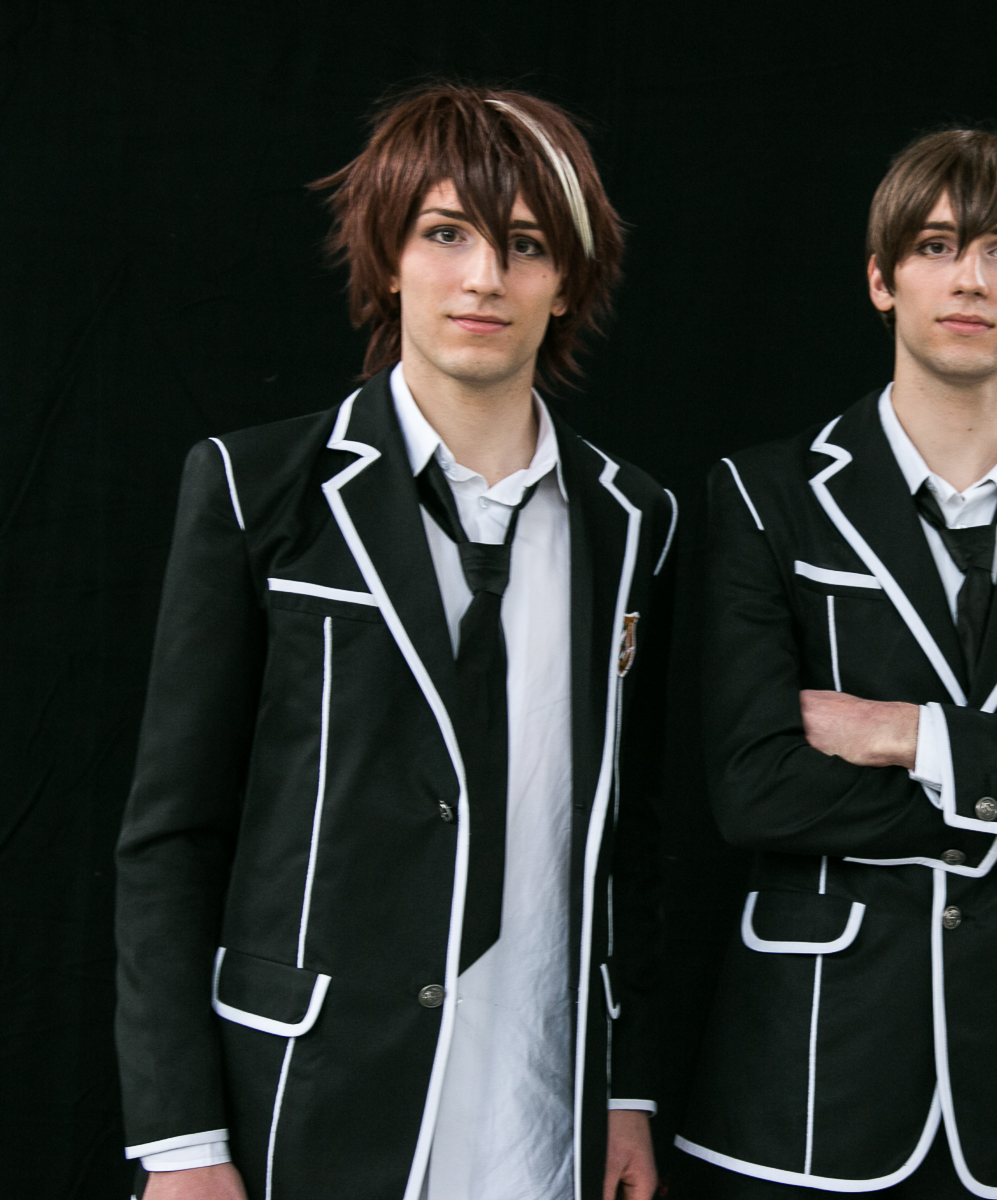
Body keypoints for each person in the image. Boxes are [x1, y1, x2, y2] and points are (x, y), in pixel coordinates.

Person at [113, 84, 673, 1200]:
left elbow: (636, 838)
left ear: (567, 282)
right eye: (447, 233)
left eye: (526, 245)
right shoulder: (256, 490)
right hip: (309, 1092)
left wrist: (628, 1091)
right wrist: (180, 1142)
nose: (485, 278)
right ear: (388, 259)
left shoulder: (632, 519)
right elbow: (172, 837)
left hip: (541, 1099)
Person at [673, 129, 997, 1199]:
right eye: (936, 246)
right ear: (883, 279)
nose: (971, 278)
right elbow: (756, 790)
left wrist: (911, 736)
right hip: (807, 1082)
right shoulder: (764, 498)